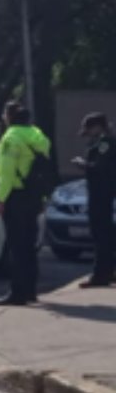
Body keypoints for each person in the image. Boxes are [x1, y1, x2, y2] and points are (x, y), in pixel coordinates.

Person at [0, 101, 52, 306]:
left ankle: (17, 293)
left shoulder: (10, 138)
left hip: (16, 196)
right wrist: (43, 199)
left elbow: (7, 173)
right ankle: (30, 290)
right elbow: (42, 173)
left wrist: (0, 199)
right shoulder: (39, 137)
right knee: (29, 245)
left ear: (9, 117)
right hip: (34, 197)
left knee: (16, 246)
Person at [73, 113, 115, 288]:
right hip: (100, 192)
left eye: (89, 129)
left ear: (98, 126)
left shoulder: (105, 142)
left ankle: (100, 275)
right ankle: (108, 270)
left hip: (102, 193)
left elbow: (100, 167)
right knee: (104, 234)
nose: (88, 133)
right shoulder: (101, 142)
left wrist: (82, 164)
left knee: (100, 234)